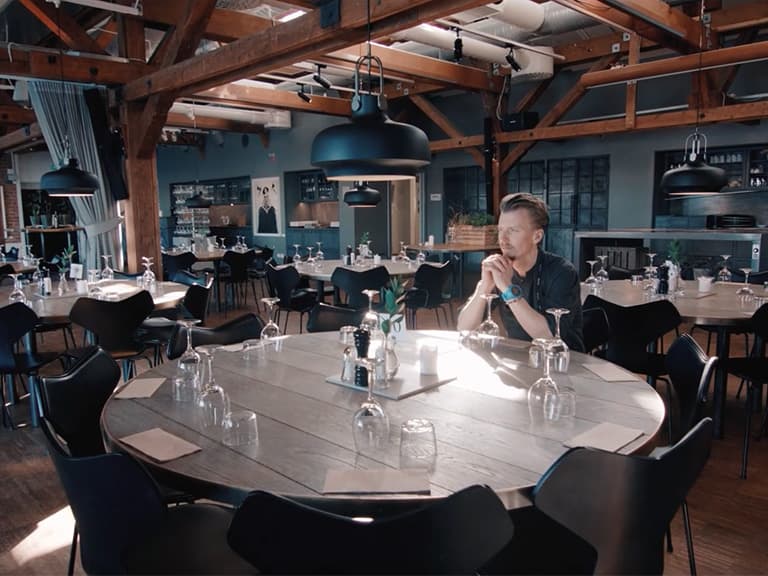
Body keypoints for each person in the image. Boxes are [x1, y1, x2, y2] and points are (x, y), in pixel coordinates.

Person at [457, 192, 584, 351]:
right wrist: (484, 286)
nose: (503, 239)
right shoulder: (501, 271)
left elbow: (550, 336)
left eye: (513, 230)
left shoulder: (562, 272)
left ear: (537, 236)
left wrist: (507, 289)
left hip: (564, 361)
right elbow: (464, 327)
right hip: (520, 359)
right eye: (501, 230)